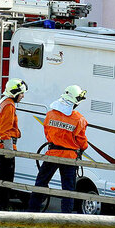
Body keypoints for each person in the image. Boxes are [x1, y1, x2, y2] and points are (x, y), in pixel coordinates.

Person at [28, 85, 88, 213]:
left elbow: (47, 133)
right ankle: (66, 217)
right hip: (69, 157)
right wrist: (81, 148)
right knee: (68, 189)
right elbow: (82, 141)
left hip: (52, 153)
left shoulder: (50, 115)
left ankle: (32, 212)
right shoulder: (79, 119)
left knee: (41, 183)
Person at [0, 78, 28, 210]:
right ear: (15, 92)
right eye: (22, 93)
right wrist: (9, 151)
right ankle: (2, 210)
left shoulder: (2, 102)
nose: (23, 96)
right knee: (6, 181)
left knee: (0, 181)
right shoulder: (9, 105)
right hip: (4, 147)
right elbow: (5, 130)